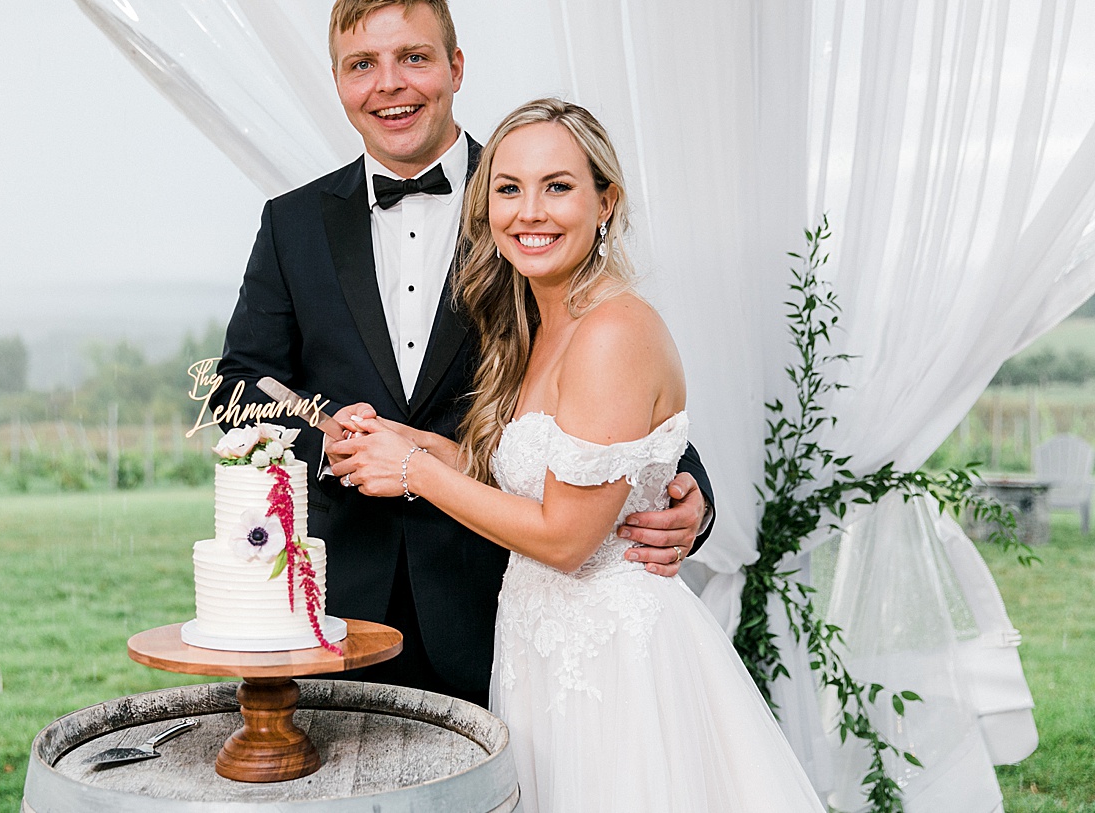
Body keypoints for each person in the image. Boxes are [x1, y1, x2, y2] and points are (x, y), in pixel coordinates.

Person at [212, 0, 714, 706]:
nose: (390, 85)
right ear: (338, 81)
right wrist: (331, 438)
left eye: (414, 57)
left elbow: (611, 364)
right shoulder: (292, 225)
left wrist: (691, 493)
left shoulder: (529, 199)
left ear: (456, 65)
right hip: (342, 603)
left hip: (504, 598)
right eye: (363, 65)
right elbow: (239, 385)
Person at [330, 98, 825, 813]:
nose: (530, 211)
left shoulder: (611, 332)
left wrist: (417, 473)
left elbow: (565, 537)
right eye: (509, 188)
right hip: (543, 647)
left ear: (606, 201)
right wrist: (421, 444)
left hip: (612, 663)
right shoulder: (541, 316)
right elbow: (538, 476)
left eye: (557, 186)